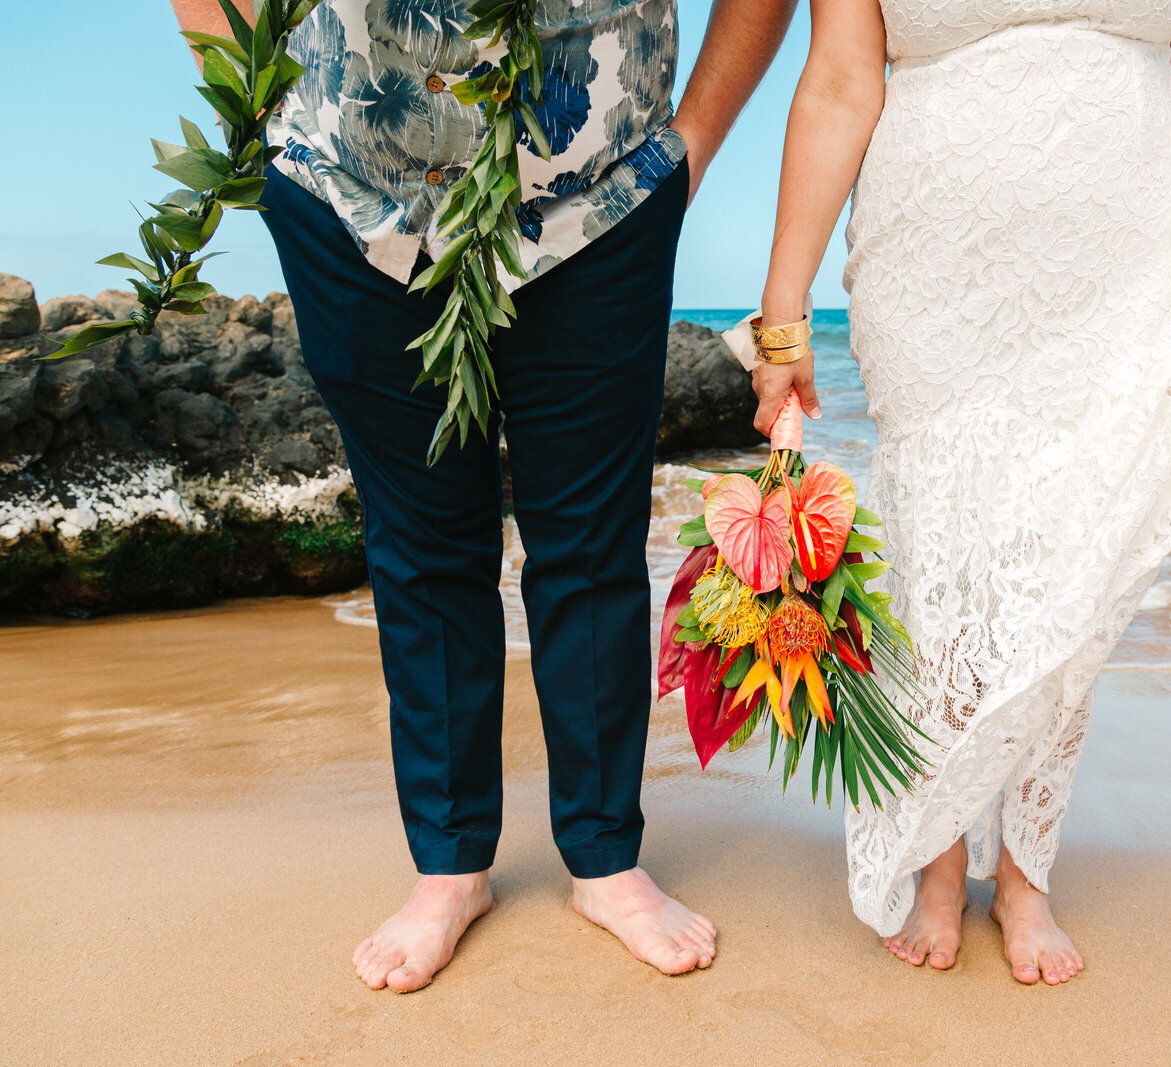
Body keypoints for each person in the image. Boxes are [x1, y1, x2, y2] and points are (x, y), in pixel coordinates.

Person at [749, 0, 1171, 984]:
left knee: (1072, 562)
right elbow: (838, 81)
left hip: (1120, 279)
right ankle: (938, 855)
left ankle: (1027, 867)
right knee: (937, 556)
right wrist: (781, 312)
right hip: (932, 277)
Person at [169, 0, 797, 989]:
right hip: (350, 201)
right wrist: (256, 116)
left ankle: (604, 857)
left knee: (590, 543)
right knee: (421, 544)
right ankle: (450, 863)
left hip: (602, 196)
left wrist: (693, 146)